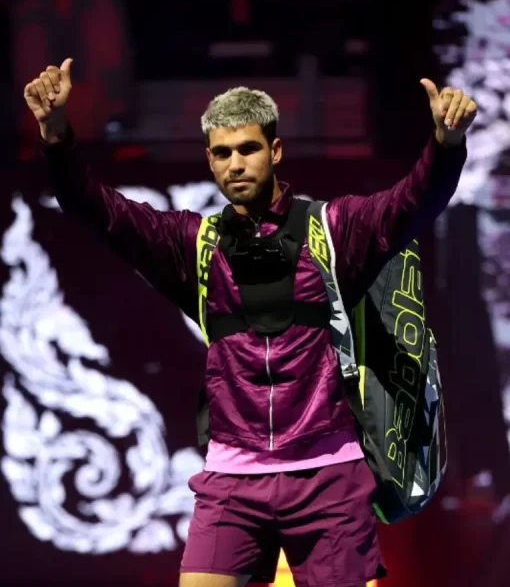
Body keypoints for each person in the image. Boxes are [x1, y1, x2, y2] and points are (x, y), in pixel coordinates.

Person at [24, 58, 476, 587]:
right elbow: (100, 212)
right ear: (210, 160)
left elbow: (412, 203)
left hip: (328, 475)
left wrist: (446, 145)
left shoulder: (333, 230)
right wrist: (56, 135)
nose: (235, 164)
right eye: (222, 153)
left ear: (275, 151)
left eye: (248, 149)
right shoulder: (193, 244)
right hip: (232, 479)